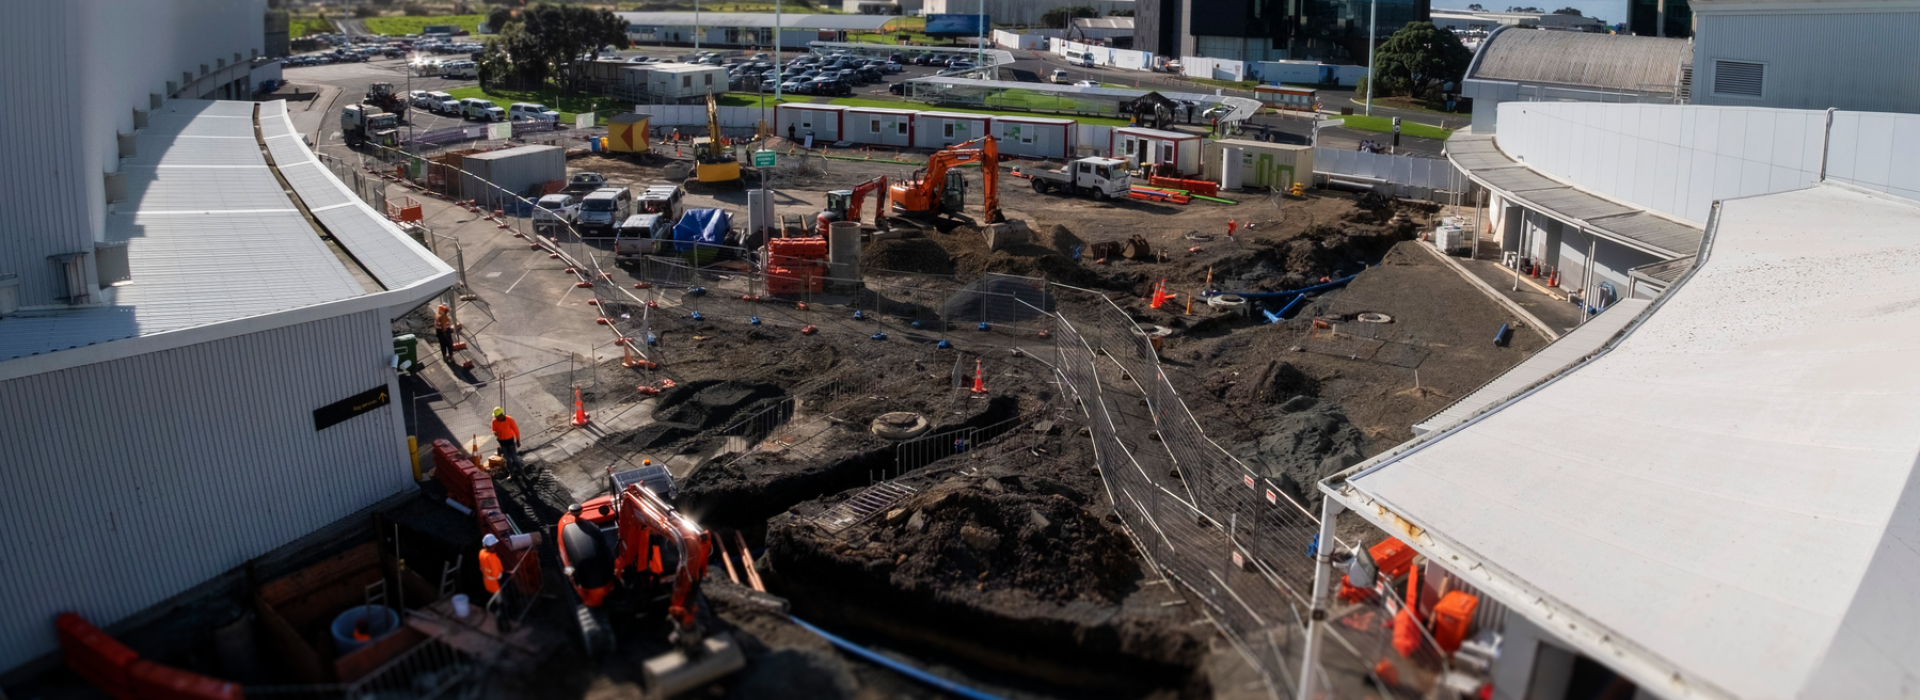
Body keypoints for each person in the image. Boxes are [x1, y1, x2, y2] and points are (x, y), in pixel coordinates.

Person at [492, 407, 522, 477]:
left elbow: (516, 430)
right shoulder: (494, 421)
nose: (496, 418)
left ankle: (521, 471)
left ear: (501, 415)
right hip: (502, 443)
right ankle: (511, 473)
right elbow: (493, 429)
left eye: (497, 416)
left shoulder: (509, 419)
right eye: (495, 416)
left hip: (510, 442)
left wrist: (518, 440)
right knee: (508, 460)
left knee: (515, 459)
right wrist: (495, 432)